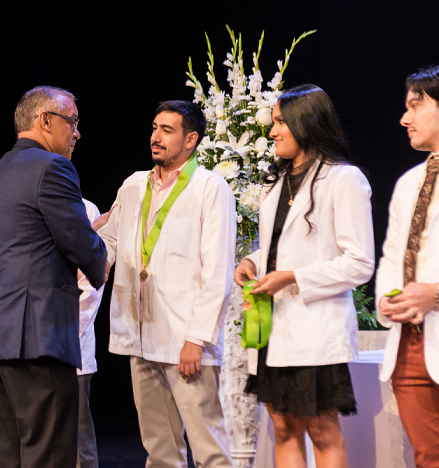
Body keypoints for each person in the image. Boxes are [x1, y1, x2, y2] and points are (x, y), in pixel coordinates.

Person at [0, 86, 107, 468]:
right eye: (72, 122)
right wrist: (102, 253)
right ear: (45, 120)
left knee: (9, 459)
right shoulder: (52, 167)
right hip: (37, 340)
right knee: (49, 457)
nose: (77, 132)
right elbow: (82, 246)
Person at [234, 85, 374, 467]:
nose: (272, 131)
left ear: (306, 122)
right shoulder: (276, 181)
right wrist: (252, 262)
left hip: (315, 329)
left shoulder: (343, 180)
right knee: (282, 428)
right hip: (272, 326)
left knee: (321, 431)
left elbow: (360, 262)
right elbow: (280, 244)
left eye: (281, 122)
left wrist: (292, 277)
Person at [98, 100, 236, 467]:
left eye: (167, 130)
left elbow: (218, 271)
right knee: (159, 450)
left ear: (191, 140)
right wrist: (93, 260)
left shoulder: (210, 188)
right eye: (154, 128)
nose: (155, 137)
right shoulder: (133, 184)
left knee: (210, 449)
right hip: (141, 334)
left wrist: (197, 339)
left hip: (185, 340)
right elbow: (110, 238)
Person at [376, 65, 439, 467]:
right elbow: (391, 256)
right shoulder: (408, 182)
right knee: (427, 457)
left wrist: (436, 294)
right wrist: (388, 300)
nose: (404, 118)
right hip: (410, 345)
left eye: (416, 105)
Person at [76, 198, 105, 468]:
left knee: (78, 435)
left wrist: (65, 335)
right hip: (38, 344)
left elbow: (91, 286)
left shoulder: (86, 210)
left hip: (74, 342)